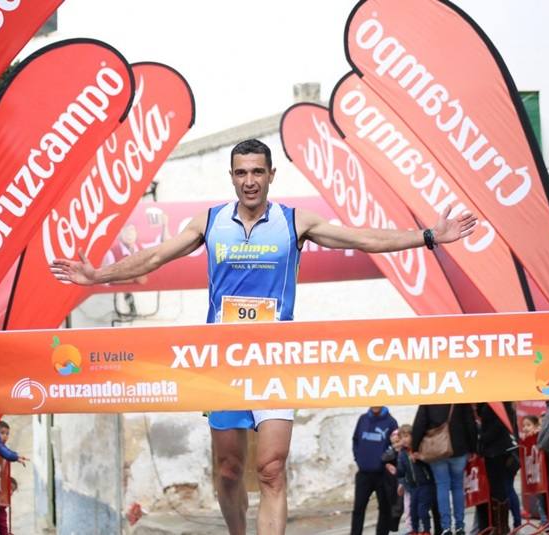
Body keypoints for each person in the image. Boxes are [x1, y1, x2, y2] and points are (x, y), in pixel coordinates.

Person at [51, 139, 478, 535]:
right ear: (232, 177)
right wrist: (97, 276)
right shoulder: (211, 222)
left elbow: (362, 238)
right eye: (241, 173)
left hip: (275, 358)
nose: (250, 180)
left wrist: (428, 237)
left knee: (272, 467)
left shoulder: (295, 221)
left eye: (258, 171)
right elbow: (155, 256)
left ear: (271, 175)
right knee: (230, 470)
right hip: (223, 362)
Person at [411, 404, 478, 535]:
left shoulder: (430, 397)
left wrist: (415, 448)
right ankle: (460, 526)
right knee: (458, 487)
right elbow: (470, 423)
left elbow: (419, 424)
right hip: (459, 448)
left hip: (437, 451)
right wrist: (473, 448)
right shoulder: (460, 396)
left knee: (442, 486)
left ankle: (446, 527)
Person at [351, 407, 399, 535]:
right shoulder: (363, 419)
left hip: (382, 474)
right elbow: (355, 440)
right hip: (364, 473)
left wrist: (387, 462)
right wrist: (358, 459)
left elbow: (395, 446)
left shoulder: (391, 422)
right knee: (358, 509)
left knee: (384, 509)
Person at [475, 402, 519, 535]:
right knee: (497, 490)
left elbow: (498, 426)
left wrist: (482, 439)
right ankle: (498, 525)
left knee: (500, 490)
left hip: (498, 451)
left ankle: (502, 527)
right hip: (494, 451)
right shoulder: (489, 404)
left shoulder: (497, 404)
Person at [398, 425, 435, 535]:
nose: (404, 439)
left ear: (412, 436)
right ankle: (414, 530)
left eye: (406, 436)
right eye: (401, 437)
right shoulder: (402, 454)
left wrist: (420, 458)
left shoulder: (419, 448)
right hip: (412, 487)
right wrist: (396, 473)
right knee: (412, 510)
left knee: (422, 510)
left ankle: (427, 530)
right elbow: (401, 471)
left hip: (426, 484)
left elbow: (429, 463)